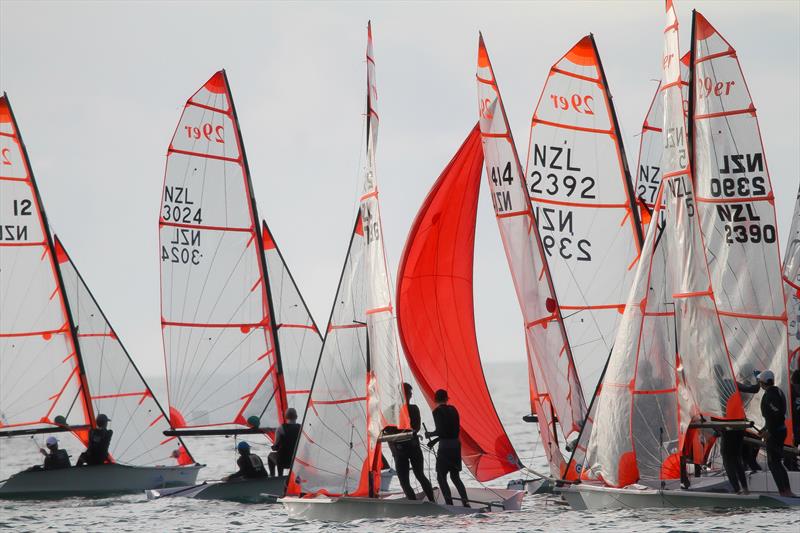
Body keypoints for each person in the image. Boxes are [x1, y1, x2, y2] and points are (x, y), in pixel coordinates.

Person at [714, 365, 759, 494]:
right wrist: (757, 377)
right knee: (737, 457)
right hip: (740, 424)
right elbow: (754, 389)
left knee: (727, 458)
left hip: (728, 425)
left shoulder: (711, 388)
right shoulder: (732, 383)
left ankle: (737, 490)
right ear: (722, 373)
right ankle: (745, 488)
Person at [387, 383, 434, 501]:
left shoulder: (411, 409)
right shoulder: (393, 410)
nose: (411, 396)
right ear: (403, 395)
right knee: (406, 480)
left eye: (411, 394)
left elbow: (416, 427)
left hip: (408, 448)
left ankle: (430, 501)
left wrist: (394, 448)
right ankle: (416, 502)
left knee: (417, 476)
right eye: (409, 394)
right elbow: (388, 432)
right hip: (404, 448)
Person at [425, 389, 469, 507]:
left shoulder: (437, 412)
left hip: (445, 447)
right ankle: (466, 503)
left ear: (435, 399)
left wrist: (430, 435)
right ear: (447, 398)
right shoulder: (453, 410)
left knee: (441, 475)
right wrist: (434, 441)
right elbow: (451, 431)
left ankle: (449, 504)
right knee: (455, 477)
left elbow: (440, 431)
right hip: (456, 445)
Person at [758, 370, 796, 497]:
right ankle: (787, 491)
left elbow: (777, 415)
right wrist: (764, 429)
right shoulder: (777, 391)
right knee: (776, 462)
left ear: (763, 383)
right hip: (779, 430)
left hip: (776, 433)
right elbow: (772, 417)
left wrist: (769, 432)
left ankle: (784, 492)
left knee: (773, 463)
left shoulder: (770, 396)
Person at [268, 408, 301, 477]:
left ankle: (275, 476)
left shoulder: (280, 428)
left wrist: (273, 447)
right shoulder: (301, 428)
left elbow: (276, 447)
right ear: (296, 417)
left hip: (284, 462)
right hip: (296, 461)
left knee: (270, 456)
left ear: (285, 417)